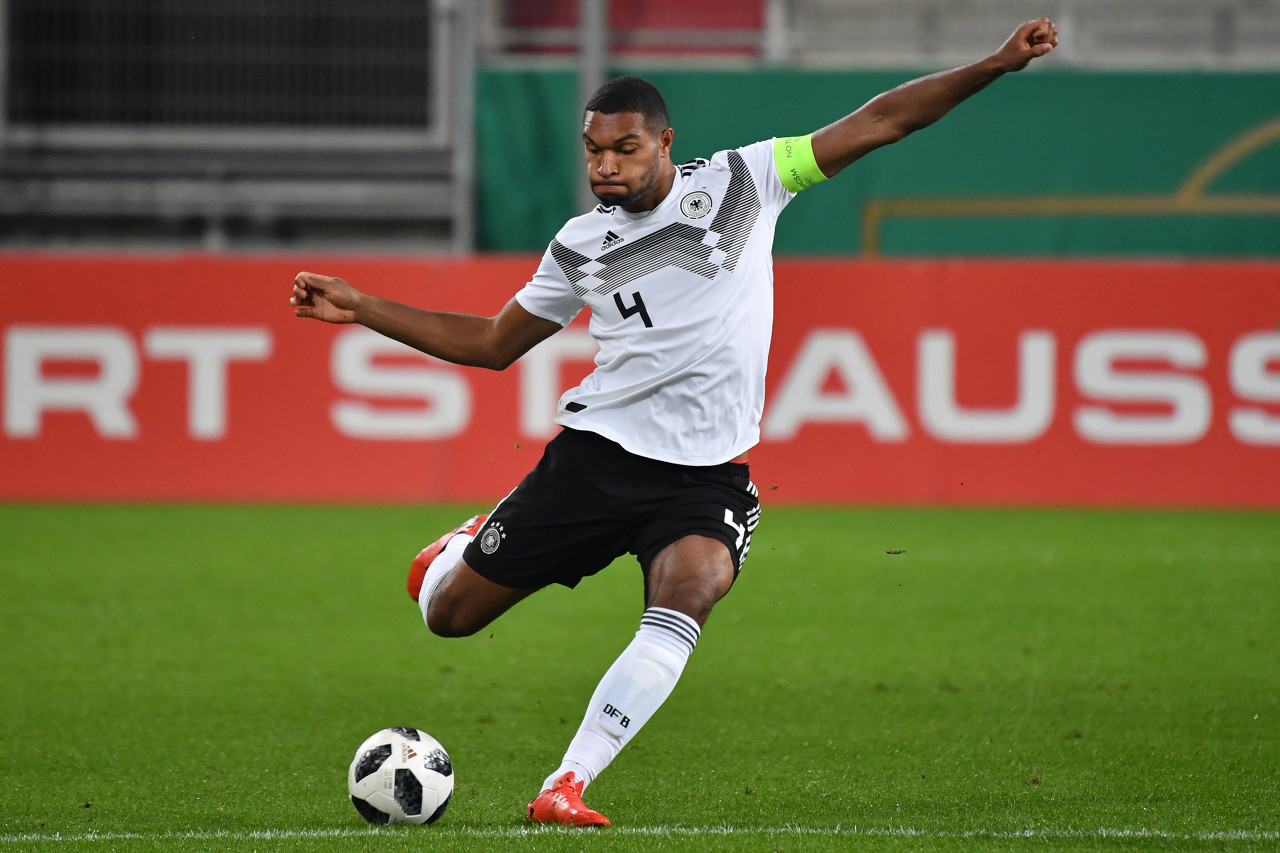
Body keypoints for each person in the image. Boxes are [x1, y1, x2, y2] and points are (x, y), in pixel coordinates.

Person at [291, 18, 1058, 827]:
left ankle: (565, 783)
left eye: (624, 149)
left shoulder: (747, 181)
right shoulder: (579, 246)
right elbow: (491, 344)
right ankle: (463, 543)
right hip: (598, 461)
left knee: (691, 591)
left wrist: (996, 63)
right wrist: (363, 306)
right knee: (448, 616)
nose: (605, 166)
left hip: (705, 477)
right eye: (593, 151)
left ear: (664, 143)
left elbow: (883, 120)